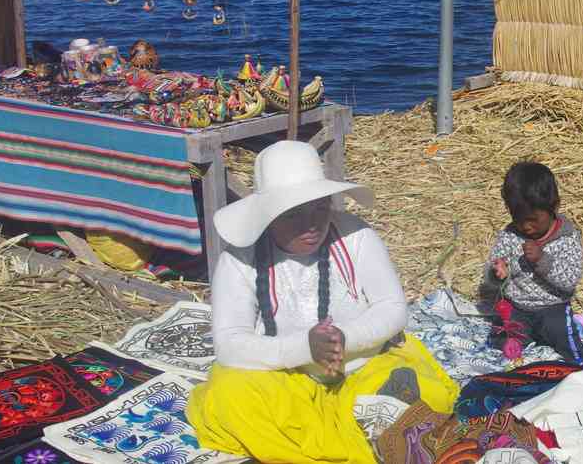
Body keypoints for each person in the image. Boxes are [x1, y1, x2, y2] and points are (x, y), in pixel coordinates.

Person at [185, 141, 457, 464]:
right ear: (268, 216)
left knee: (420, 391)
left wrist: (346, 338)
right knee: (229, 395)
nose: (312, 224)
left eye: (319, 208)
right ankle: (365, 442)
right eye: (295, 214)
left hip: (364, 367)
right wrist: (304, 347)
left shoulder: (355, 235)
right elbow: (230, 344)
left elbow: (393, 308)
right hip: (286, 380)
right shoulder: (239, 260)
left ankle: (357, 432)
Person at [481, 161, 583, 365]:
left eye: (532, 219)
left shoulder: (566, 238)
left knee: (564, 338)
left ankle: (579, 366)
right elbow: (494, 265)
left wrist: (542, 260)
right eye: (518, 218)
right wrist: (498, 271)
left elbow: (570, 280)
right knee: (500, 338)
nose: (526, 227)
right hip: (518, 307)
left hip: (553, 307)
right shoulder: (510, 235)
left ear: (554, 207)